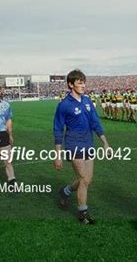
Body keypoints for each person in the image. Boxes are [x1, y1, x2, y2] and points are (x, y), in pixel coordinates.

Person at [54, 69, 110, 225]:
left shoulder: (87, 101)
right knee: (84, 179)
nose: (83, 85)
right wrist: (57, 155)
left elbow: (95, 123)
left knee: (87, 179)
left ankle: (65, 192)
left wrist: (105, 142)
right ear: (71, 85)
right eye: (79, 82)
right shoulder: (64, 105)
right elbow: (58, 130)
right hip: (73, 145)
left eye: (83, 82)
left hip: (88, 144)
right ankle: (82, 212)